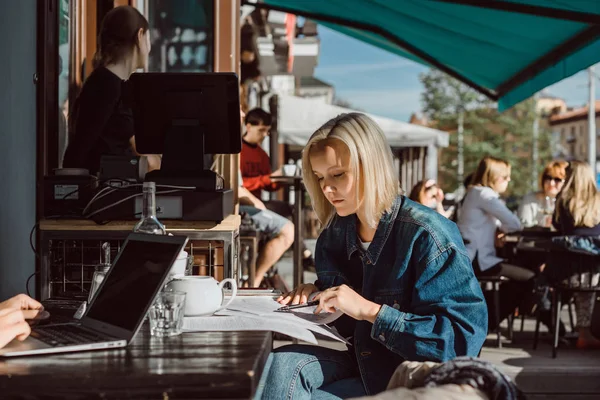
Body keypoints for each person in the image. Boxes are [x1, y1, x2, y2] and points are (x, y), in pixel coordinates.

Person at [257, 113, 487, 399]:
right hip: (365, 366)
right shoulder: (334, 234)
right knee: (278, 364)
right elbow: (346, 323)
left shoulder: (428, 235)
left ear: (372, 167)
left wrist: (369, 311)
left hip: (418, 381)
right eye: (319, 177)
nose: (326, 189)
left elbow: (460, 343)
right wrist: (316, 297)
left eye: (338, 174)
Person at [62, 6, 159, 175]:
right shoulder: (105, 85)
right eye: (148, 39)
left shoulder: (115, 84)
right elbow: (78, 152)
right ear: (140, 36)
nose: (149, 49)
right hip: (105, 195)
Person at [457, 156, 535, 330]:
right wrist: (502, 230)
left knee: (520, 275)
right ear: (494, 177)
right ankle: (489, 320)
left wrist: (499, 230)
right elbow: (514, 224)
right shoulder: (485, 194)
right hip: (478, 260)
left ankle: (487, 319)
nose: (508, 180)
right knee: (530, 278)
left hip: (470, 256)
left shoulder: (474, 193)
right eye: (505, 177)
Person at [240, 107, 315, 270]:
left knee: (292, 209)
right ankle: (303, 255)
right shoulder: (238, 152)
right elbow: (241, 185)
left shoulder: (261, 154)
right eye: (261, 130)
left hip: (259, 201)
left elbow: (267, 183)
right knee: (286, 213)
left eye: (266, 131)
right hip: (242, 203)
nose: (264, 135)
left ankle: (301, 253)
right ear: (248, 126)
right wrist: (269, 178)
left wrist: (279, 179)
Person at [551, 160, 600, 348]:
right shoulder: (597, 199)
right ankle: (584, 332)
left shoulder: (563, 200)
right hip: (593, 272)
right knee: (588, 277)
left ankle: (567, 330)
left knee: (572, 281)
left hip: (565, 271)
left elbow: (557, 227)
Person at [518, 160, 568, 228]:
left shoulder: (570, 203)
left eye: (557, 179)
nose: (551, 183)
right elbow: (522, 226)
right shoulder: (530, 200)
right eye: (548, 178)